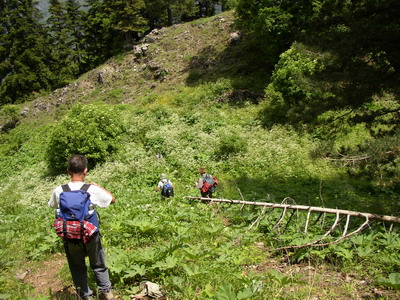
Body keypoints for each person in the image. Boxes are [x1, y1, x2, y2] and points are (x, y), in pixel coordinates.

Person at [48, 155, 116, 300]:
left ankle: (85, 295)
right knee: (98, 263)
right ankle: (106, 292)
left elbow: (52, 205)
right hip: (90, 234)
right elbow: (112, 200)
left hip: (70, 236)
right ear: (85, 171)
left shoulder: (60, 190)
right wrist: (100, 187)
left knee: (77, 267)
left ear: (68, 171)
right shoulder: (91, 189)